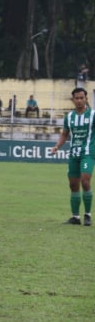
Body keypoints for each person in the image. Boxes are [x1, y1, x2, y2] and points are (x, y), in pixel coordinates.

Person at [50, 87, 93, 226]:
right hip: (74, 154)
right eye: (77, 98)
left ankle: (87, 215)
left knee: (85, 181)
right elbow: (65, 134)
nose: (79, 100)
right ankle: (75, 217)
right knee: (73, 185)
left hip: (88, 153)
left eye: (82, 98)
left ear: (86, 99)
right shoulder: (69, 117)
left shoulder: (93, 115)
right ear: (73, 100)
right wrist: (57, 146)